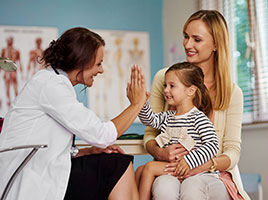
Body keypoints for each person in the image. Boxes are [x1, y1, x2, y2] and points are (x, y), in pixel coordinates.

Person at [0, 27, 147, 200]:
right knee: (117, 165)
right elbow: (102, 134)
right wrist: (137, 104)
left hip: (40, 171)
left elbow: (47, 144)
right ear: (81, 62)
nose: (101, 70)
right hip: (26, 182)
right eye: (99, 63)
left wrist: (86, 152)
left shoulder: (52, 82)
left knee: (113, 161)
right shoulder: (51, 85)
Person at [143, 10, 250, 199]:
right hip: (171, 170)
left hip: (210, 172)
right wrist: (160, 152)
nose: (187, 44)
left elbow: (232, 151)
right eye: (186, 37)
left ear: (216, 44)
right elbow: (151, 133)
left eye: (196, 39)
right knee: (163, 187)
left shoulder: (232, 93)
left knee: (194, 187)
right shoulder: (164, 78)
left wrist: (204, 164)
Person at [135, 62, 219, 200]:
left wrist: (188, 161)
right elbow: (149, 120)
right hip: (172, 166)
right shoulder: (168, 116)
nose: (166, 90)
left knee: (149, 168)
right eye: (165, 86)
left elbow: (212, 145)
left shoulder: (198, 118)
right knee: (140, 171)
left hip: (189, 168)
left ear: (191, 91)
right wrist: (142, 102)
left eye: (172, 86)